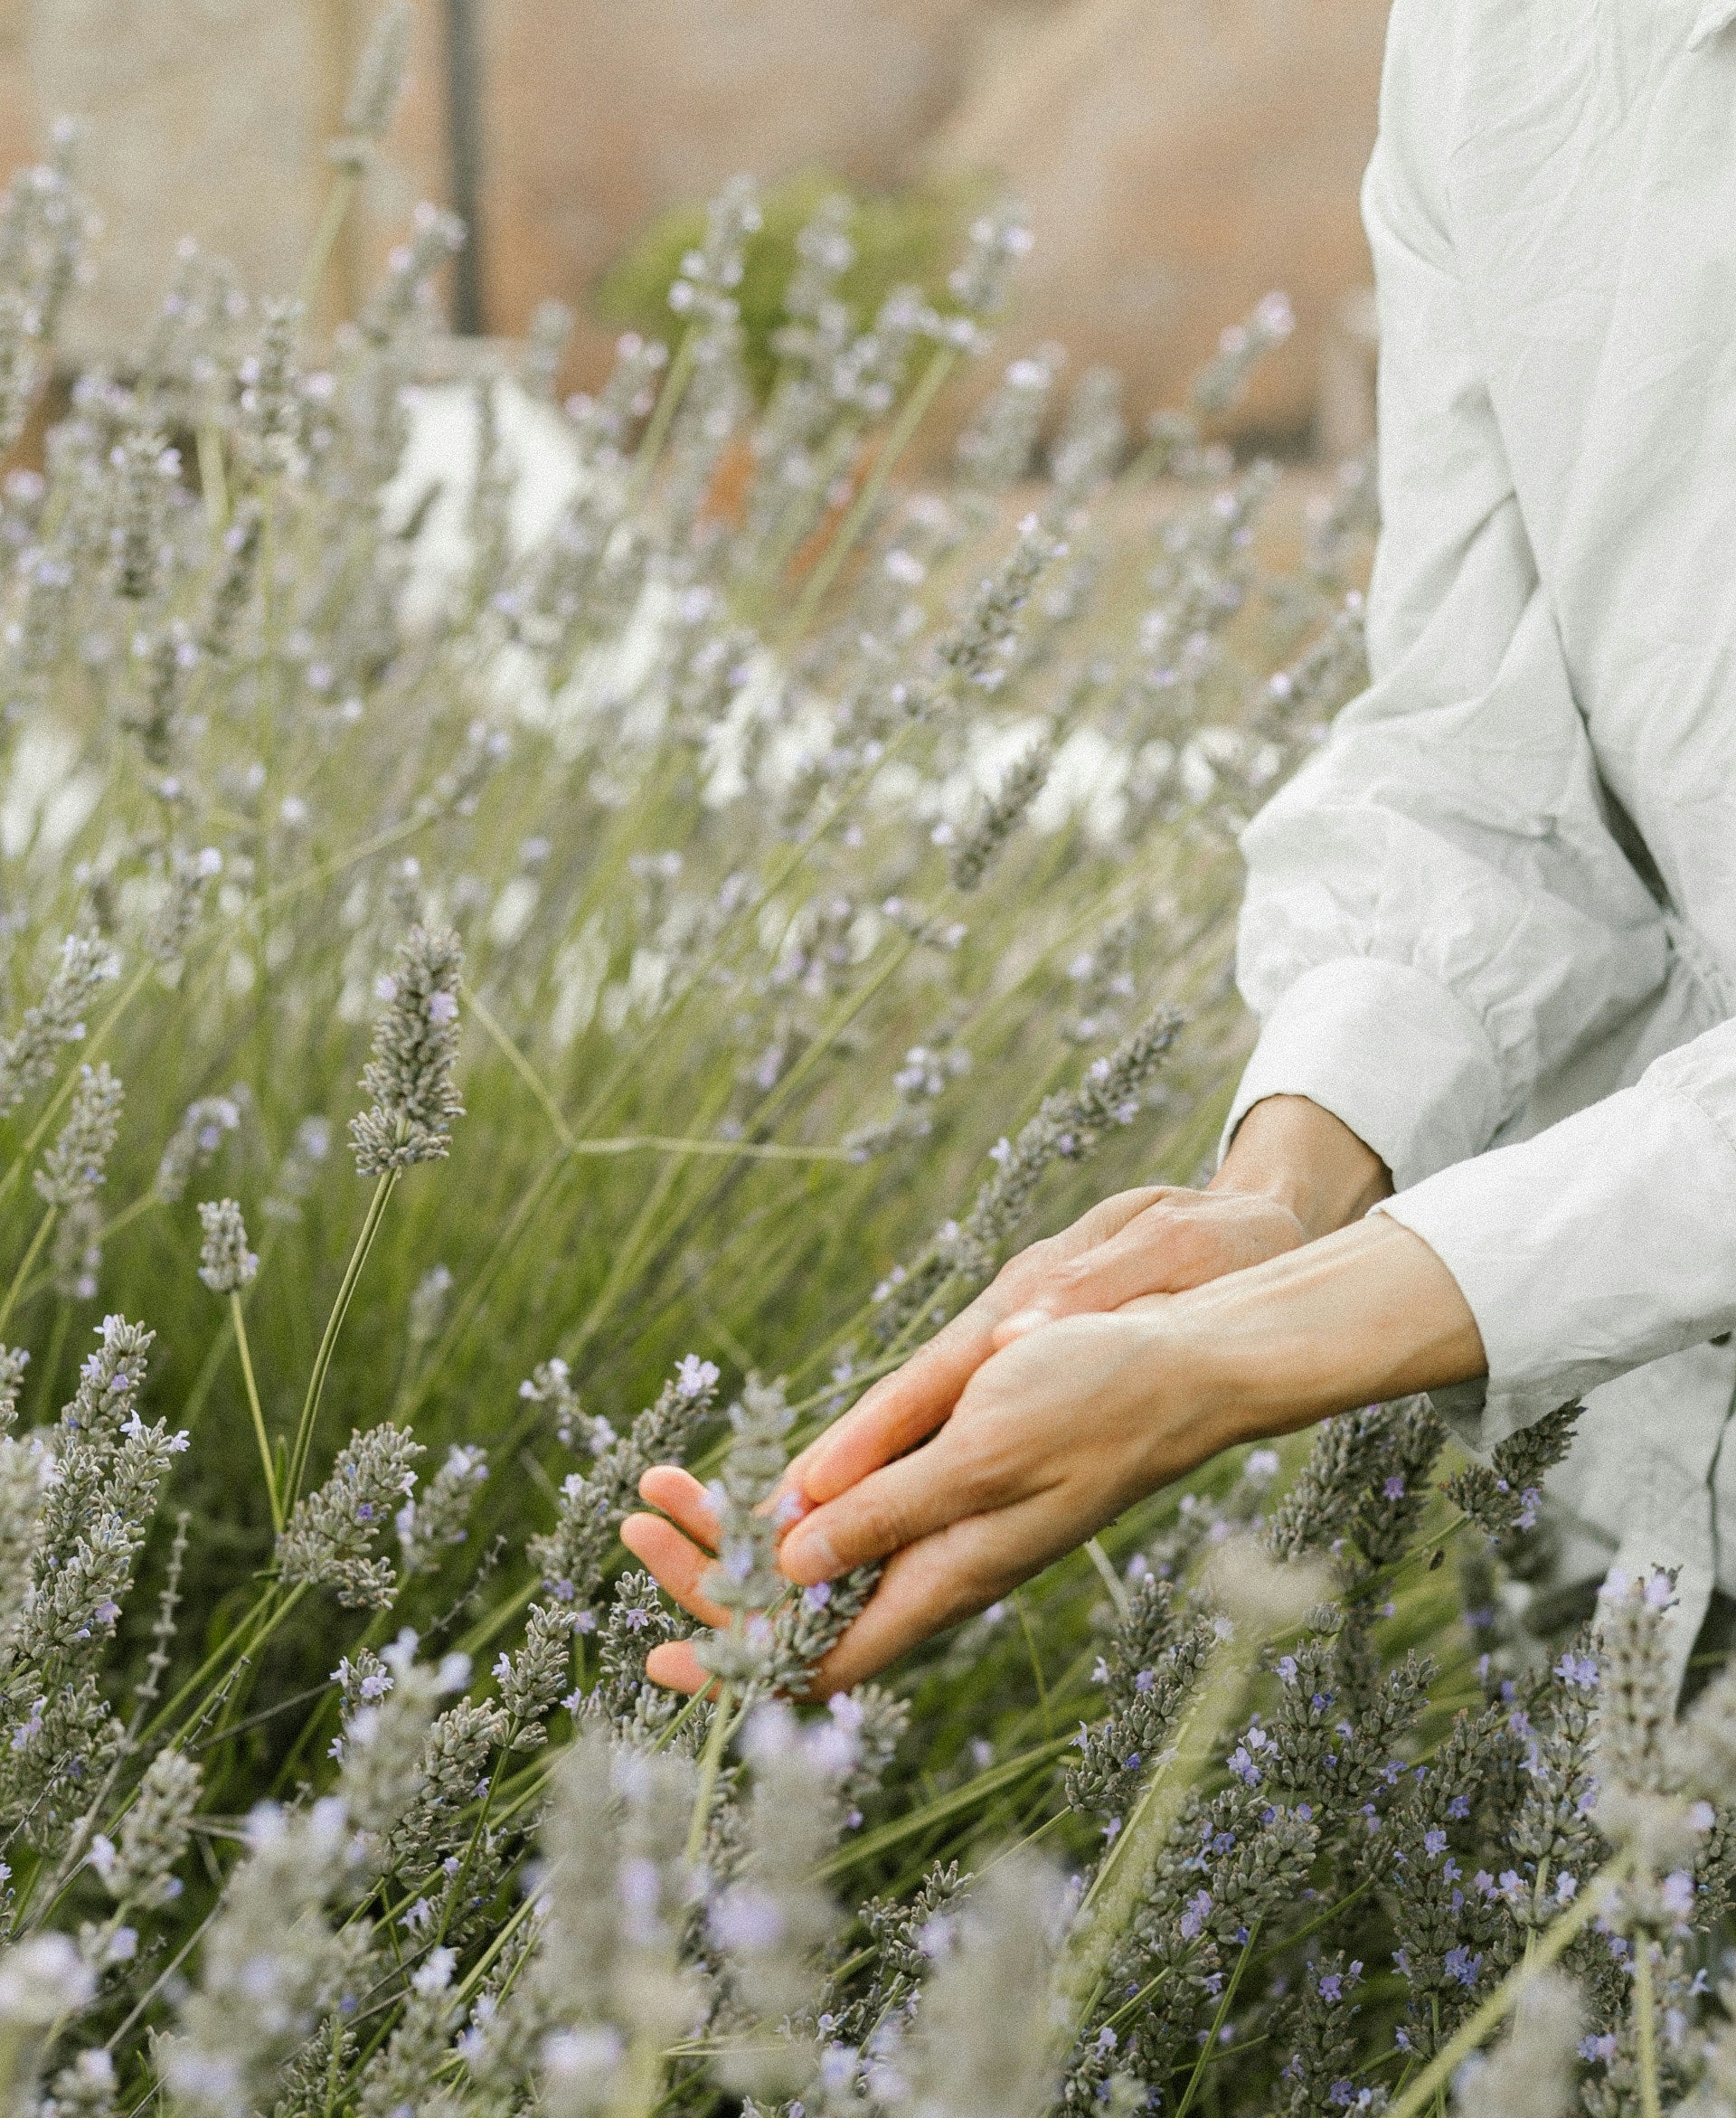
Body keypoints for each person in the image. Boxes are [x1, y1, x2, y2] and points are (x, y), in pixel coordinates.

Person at [622, 0, 1736, 1693]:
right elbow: (1481, 756)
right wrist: (1263, 1208)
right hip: (1650, 1512)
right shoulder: (1500, 37)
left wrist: (1230, 1364)